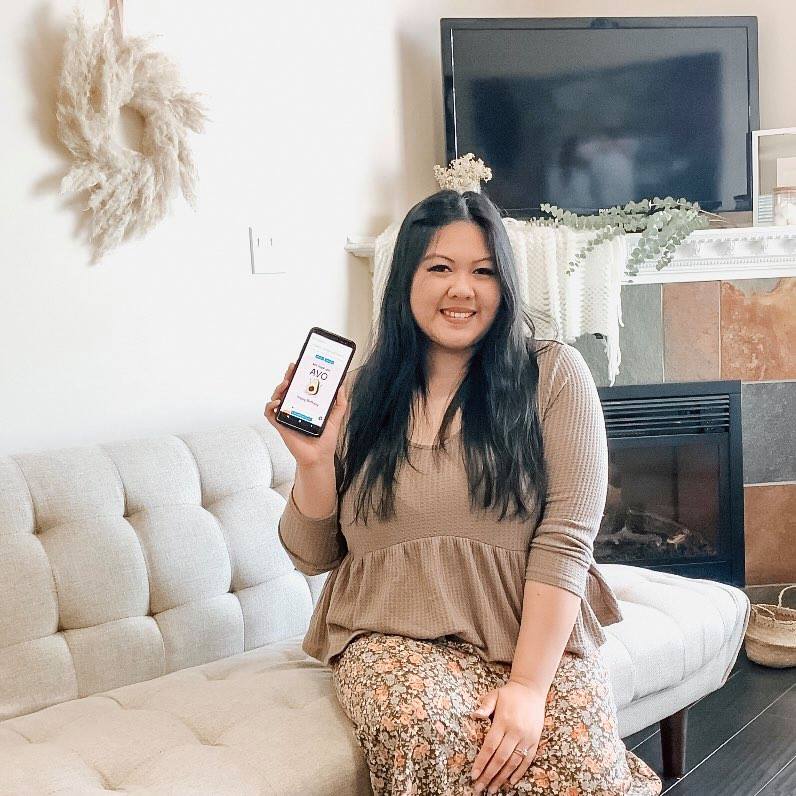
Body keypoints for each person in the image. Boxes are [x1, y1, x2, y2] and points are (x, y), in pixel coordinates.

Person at [265, 189, 662, 795]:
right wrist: (315, 462)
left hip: (526, 634)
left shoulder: (553, 375)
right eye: (440, 268)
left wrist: (527, 689)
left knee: (578, 766)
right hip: (390, 637)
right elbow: (312, 554)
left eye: (483, 271)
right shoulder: (365, 391)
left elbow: (565, 540)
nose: (462, 289)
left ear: (505, 286)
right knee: (427, 734)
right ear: (405, 281)